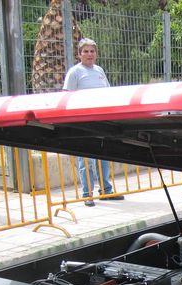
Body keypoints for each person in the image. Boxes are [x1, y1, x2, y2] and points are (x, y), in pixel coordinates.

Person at [63, 38, 124, 207]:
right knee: (85, 159)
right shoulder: (75, 72)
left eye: (92, 51)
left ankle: (106, 191)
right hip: (83, 121)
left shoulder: (99, 70)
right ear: (79, 54)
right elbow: (66, 96)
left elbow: (107, 92)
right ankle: (86, 194)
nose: (89, 54)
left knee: (103, 156)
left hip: (101, 120)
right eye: (86, 51)